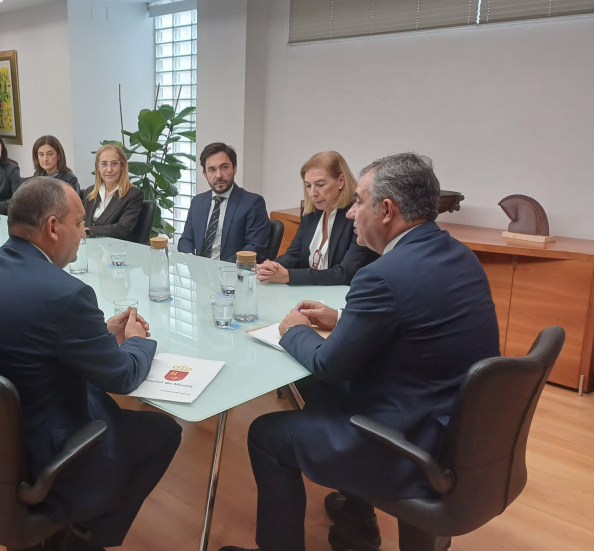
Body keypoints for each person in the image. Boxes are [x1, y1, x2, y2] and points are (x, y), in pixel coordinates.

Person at [219, 153, 501, 551]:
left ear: (387, 210)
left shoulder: (381, 275)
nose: (351, 212)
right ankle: (356, 520)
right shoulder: (461, 256)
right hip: (457, 429)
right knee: (318, 396)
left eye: (359, 201)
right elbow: (415, 325)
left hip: (407, 443)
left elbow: (326, 364)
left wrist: (293, 331)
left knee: (267, 433)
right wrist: (345, 319)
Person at [0, 177, 182, 551]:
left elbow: (28, 340)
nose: (84, 232)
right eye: (79, 222)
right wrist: (137, 341)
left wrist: (97, 335)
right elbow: (122, 376)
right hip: (36, 457)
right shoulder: (65, 294)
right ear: (53, 228)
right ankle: (87, 539)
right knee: (163, 431)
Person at [257, 151, 378, 285]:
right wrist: (272, 267)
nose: (312, 194)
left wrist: (289, 276)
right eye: (308, 185)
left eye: (320, 185)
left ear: (341, 181)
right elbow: (294, 255)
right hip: (312, 293)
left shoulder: (357, 215)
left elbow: (346, 273)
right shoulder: (312, 213)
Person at [178, 142, 270, 262]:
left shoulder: (253, 203)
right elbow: (186, 240)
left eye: (224, 167)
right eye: (212, 170)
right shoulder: (198, 202)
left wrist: (222, 270)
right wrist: (193, 261)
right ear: (205, 174)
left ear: (235, 168)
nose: (219, 175)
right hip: (200, 274)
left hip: (232, 275)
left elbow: (255, 247)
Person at [82, 144, 144, 241]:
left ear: (122, 166)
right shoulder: (90, 192)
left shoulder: (133, 194)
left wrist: (89, 231)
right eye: (104, 164)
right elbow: (81, 221)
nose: (109, 169)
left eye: (114, 164)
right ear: (98, 167)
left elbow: (123, 229)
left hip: (116, 251)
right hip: (89, 249)